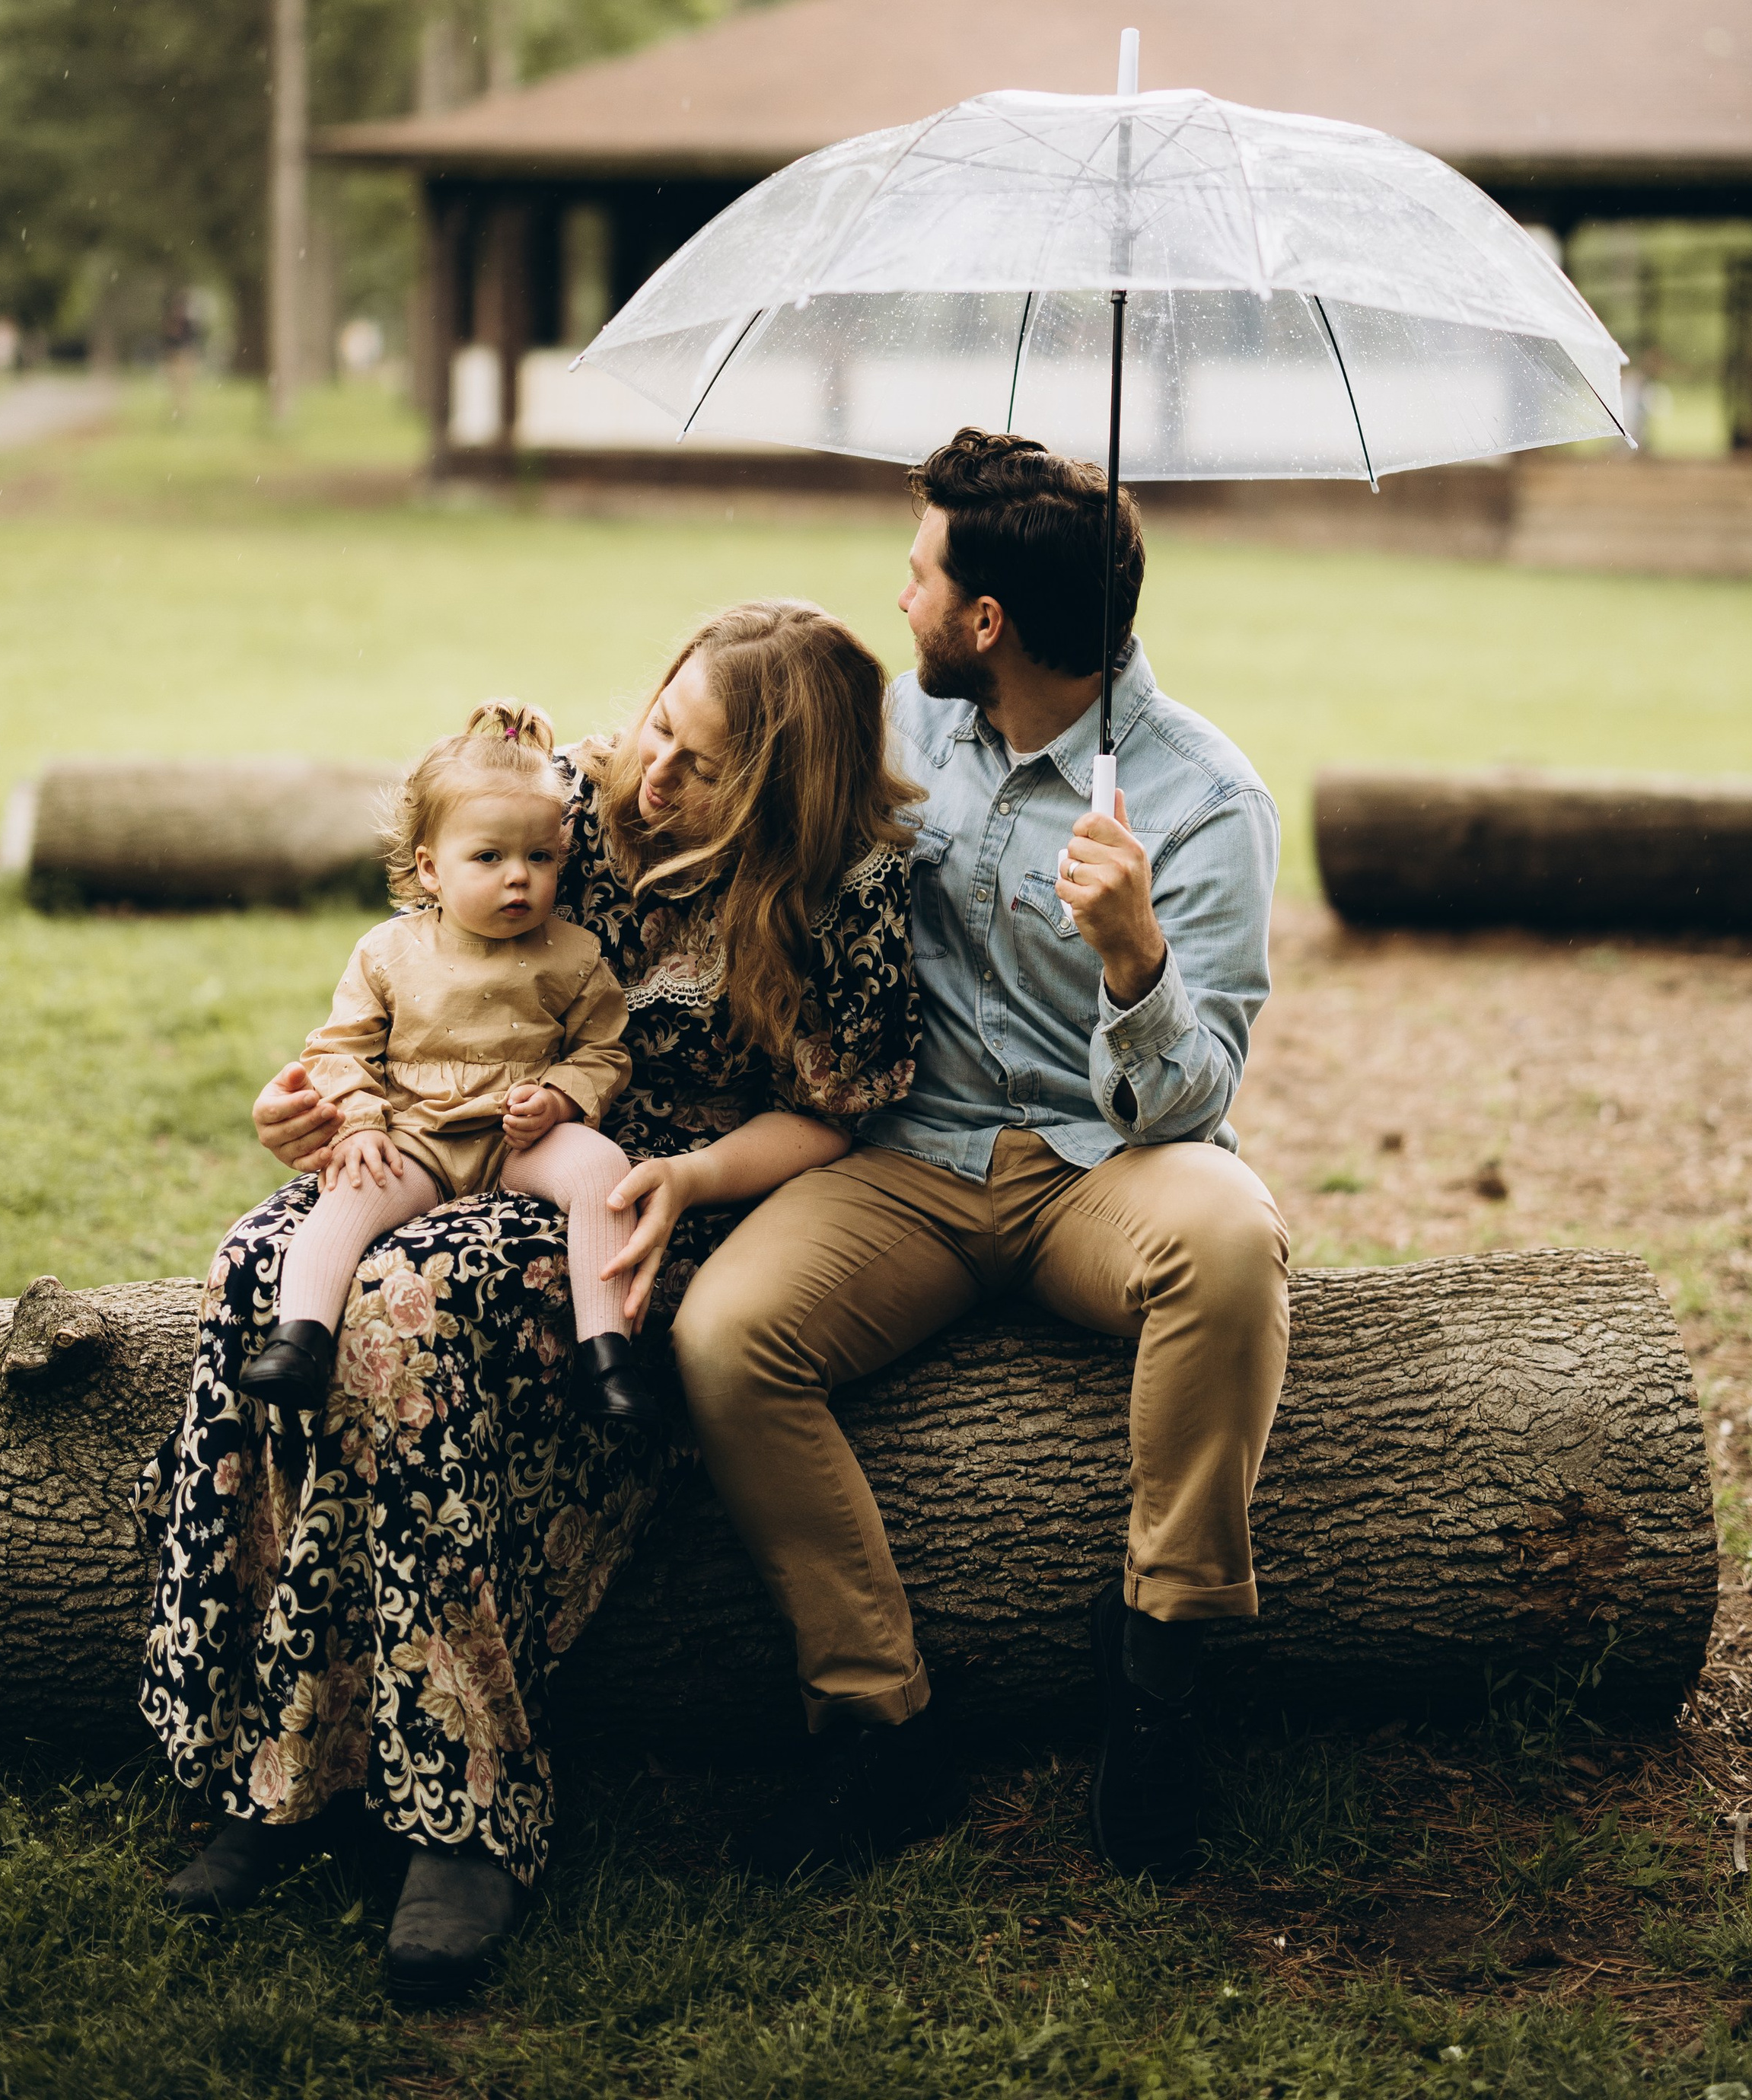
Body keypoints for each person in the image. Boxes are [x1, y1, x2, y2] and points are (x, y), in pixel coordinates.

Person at [139, 602, 920, 2000]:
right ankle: (280, 1763)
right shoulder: (571, 800)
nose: (652, 776)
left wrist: (686, 1175)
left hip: (649, 1186)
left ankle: (464, 1809)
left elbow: (832, 1112)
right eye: (660, 727)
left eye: (701, 766)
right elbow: (415, 965)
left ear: (780, 790)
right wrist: (305, 1109)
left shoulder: (847, 891)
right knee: (259, 1266)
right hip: (448, 1133)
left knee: (411, 1310)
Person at [671, 429, 1291, 1881]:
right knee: (725, 1339)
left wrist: (1135, 960)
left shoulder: (1209, 803)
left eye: (921, 577)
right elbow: (732, 793)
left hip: (1103, 1168)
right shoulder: (900, 729)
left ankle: (1160, 1660)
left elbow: (1194, 1100)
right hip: (915, 1161)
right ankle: (877, 1721)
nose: (902, 598)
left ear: (988, 621)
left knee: (1230, 1236)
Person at [238, 698, 653, 1434]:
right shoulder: (388, 952)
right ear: (430, 869)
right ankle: (300, 1338)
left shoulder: (574, 955)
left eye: (540, 857)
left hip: (519, 1138)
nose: (518, 878)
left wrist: (560, 1099)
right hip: (417, 1136)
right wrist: (360, 1123)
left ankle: (608, 1356)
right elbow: (339, 1048)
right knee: (348, 1192)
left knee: (602, 1171)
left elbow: (603, 1050)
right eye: (489, 858)